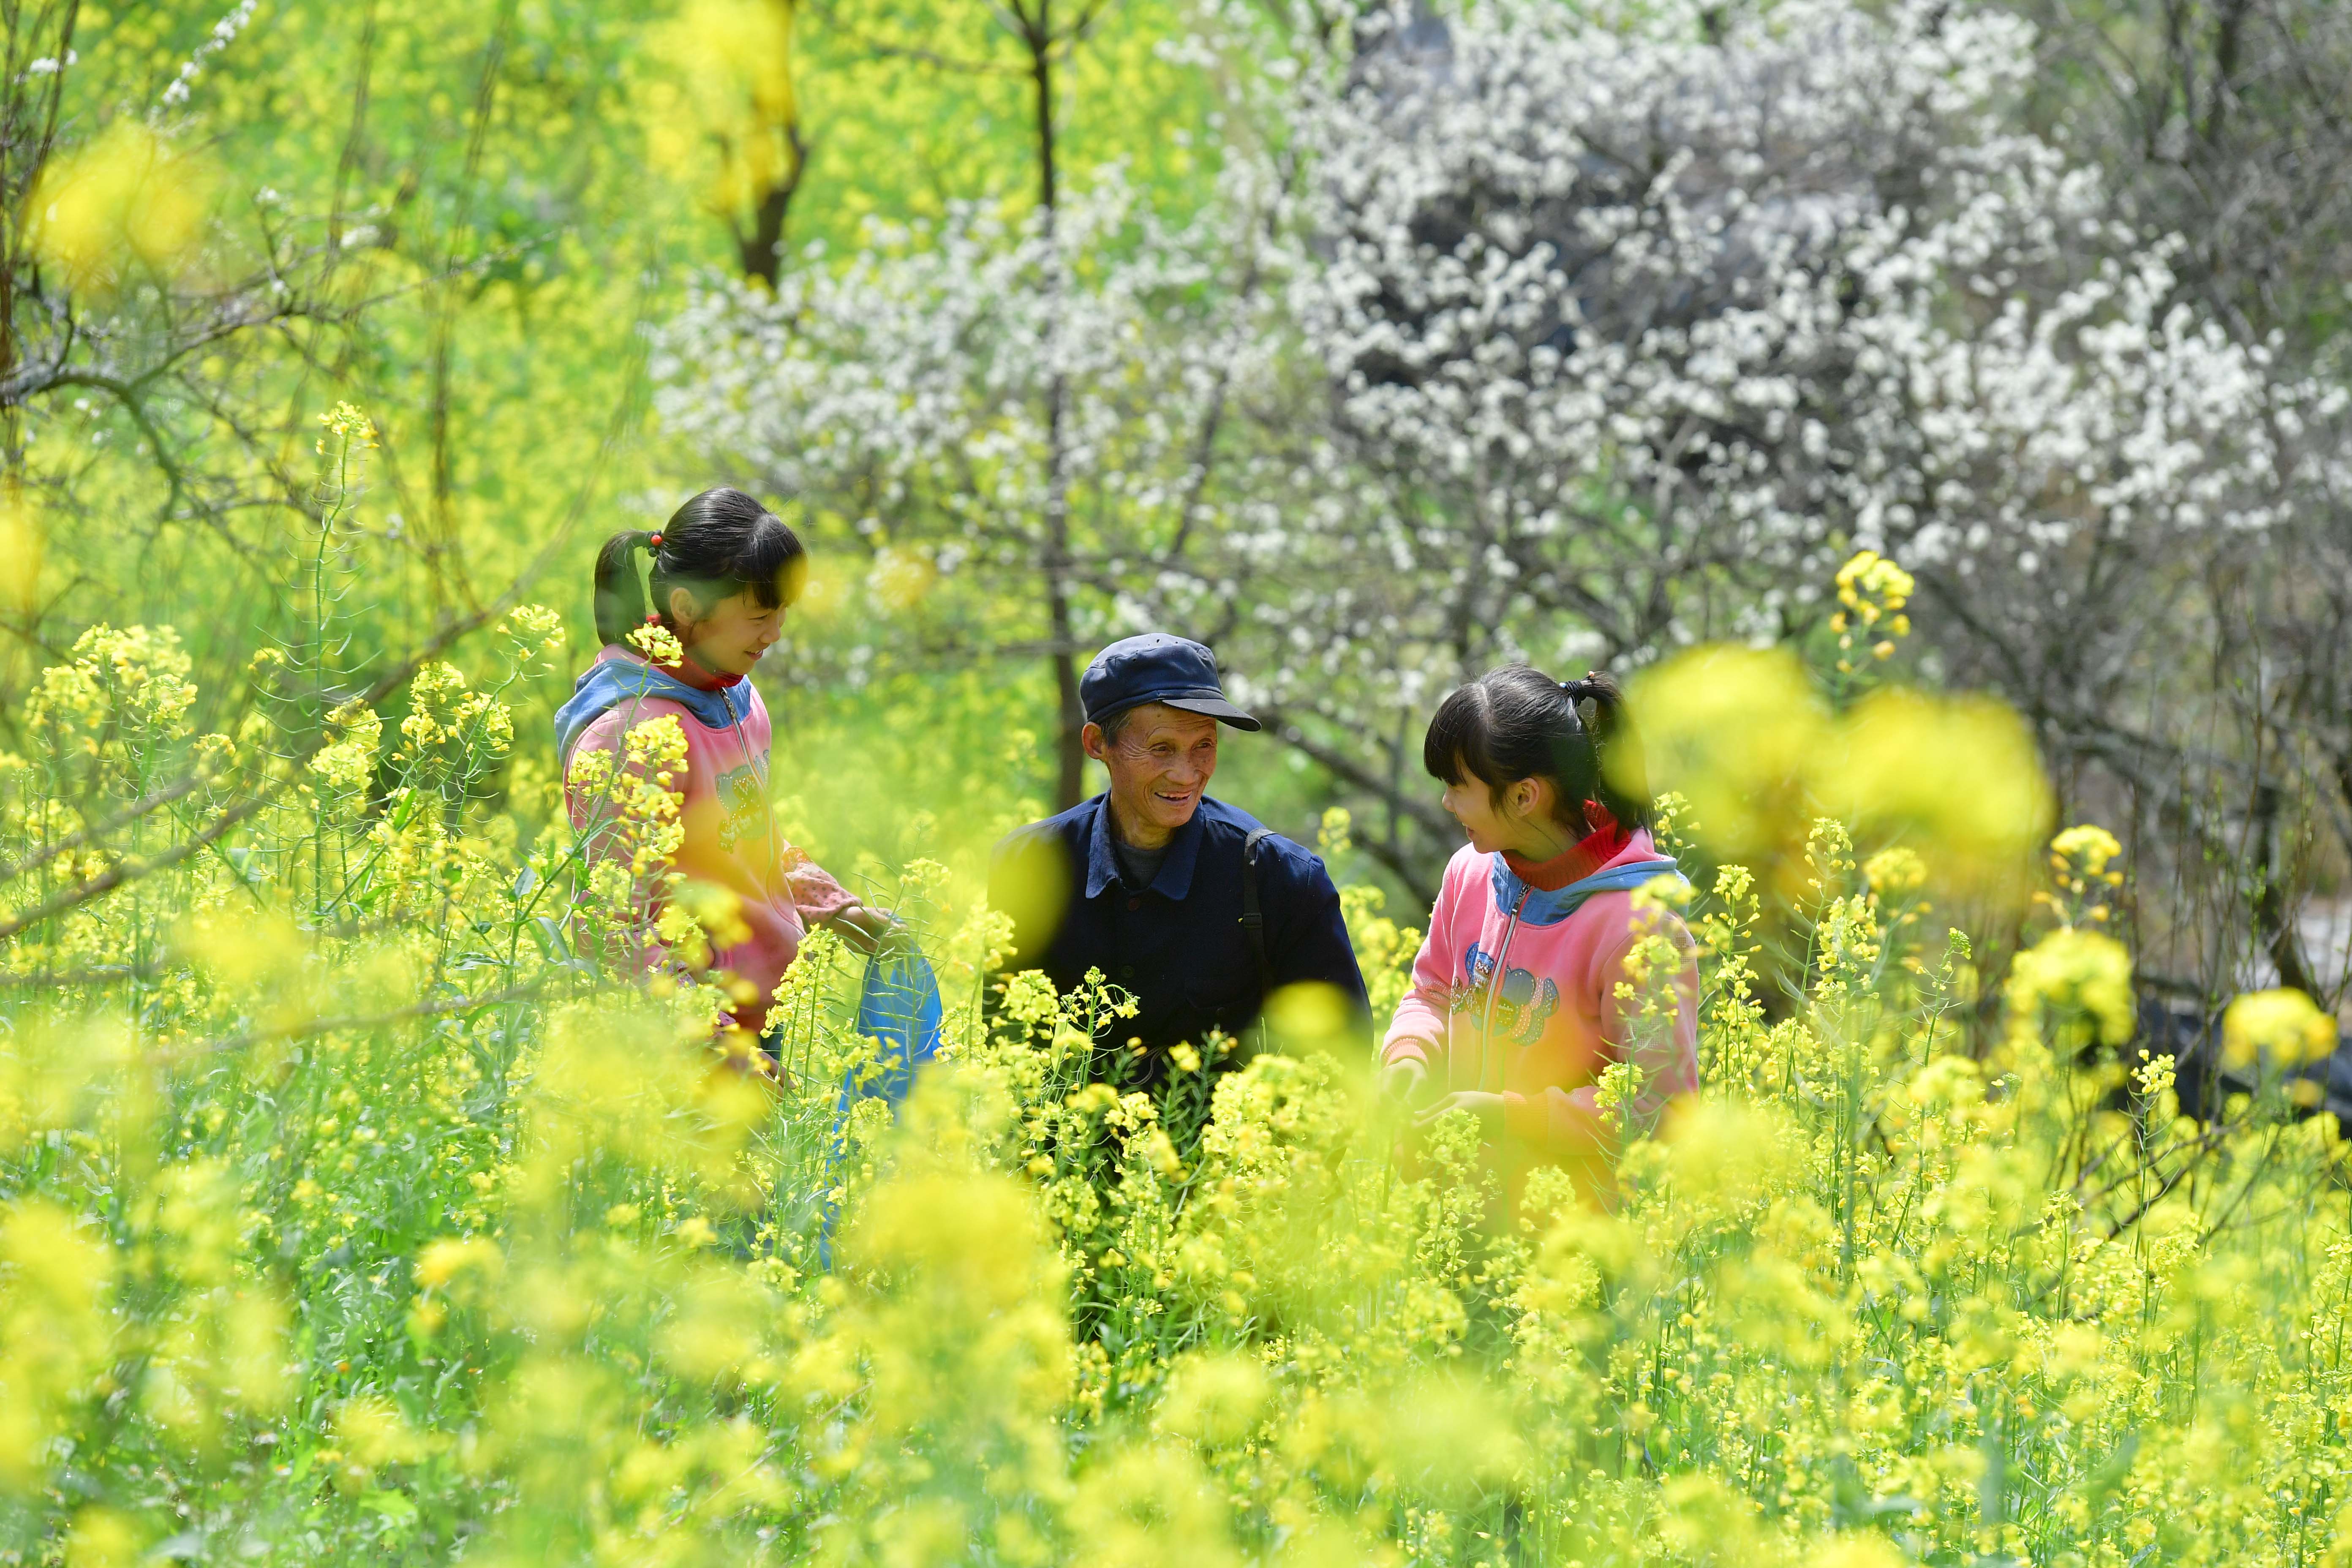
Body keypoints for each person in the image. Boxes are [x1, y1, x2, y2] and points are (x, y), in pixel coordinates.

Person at [557, 487, 895, 1052]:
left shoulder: (737, 696)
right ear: (687, 607)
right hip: (683, 1040)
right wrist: (713, 1049)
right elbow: (615, 927)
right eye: (759, 615)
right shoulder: (629, 738)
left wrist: (834, 907)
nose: (776, 633)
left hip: (762, 1016)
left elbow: (751, 839)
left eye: (783, 612)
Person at [988, 633, 1368, 1088]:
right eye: (1161, 748)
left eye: (1203, 746)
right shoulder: (1028, 865)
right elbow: (999, 1047)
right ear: (1097, 743)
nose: (1186, 774)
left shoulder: (1282, 878)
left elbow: (1340, 1064)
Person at [1378, 666, 1699, 1203]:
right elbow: (1431, 993)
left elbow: (1659, 1108)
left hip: (1572, 1228)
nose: (1447, 803)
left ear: (1525, 795)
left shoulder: (1641, 931)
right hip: (1456, 1212)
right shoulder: (1469, 872)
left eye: (1458, 786)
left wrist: (1513, 1118)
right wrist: (1409, 1054)